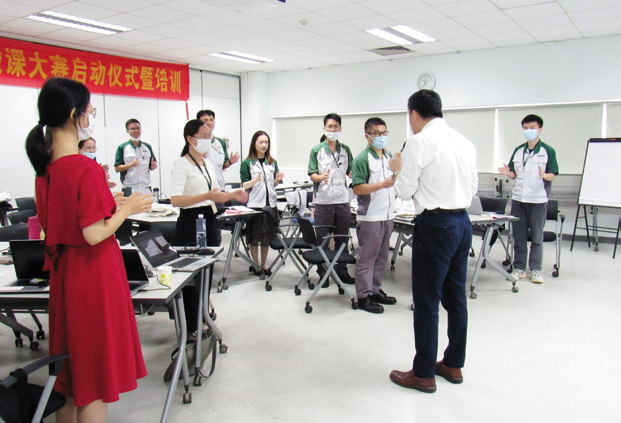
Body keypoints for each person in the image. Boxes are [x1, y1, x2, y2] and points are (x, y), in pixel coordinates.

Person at [25, 77, 154, 421]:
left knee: (69, 375)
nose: (91, 115)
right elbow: (94, 234)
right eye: (90, 110)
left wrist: (108, 203)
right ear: (74, 115)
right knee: (94, 377)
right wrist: (127, 209)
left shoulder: (45, 169)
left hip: (67, 274)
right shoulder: (85, 167)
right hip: (93, 275)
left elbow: (61, 222)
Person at [389, 90, 478, 393]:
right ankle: (453, 364)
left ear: (414, 113)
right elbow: (473, 187)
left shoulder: (419, 142)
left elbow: (404, 191)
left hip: (435, 225)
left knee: (427, 301)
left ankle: (424, 372)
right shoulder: (464, 142)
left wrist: (397, 171)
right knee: (456, 298)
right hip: (462, 223)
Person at [170, 119, 247, 338]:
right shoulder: (181, 164)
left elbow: (216, 194)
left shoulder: (207, 164)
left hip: (209, 220)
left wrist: (233, 195)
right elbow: (175, 200)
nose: (207, 140)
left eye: (209, 136)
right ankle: (190, 327)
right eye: (203, 136)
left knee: (206, 274)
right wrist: (206, 196)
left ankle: (202, 317)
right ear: (190, 139)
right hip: (190, 221)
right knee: (192, 276)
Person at [498, 114, 558, 284]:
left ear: (540, 130)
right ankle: (519, 268)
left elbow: (553, 174)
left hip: (538, 200)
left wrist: (545, 175)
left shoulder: (548, 151)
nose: (528, 131)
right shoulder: (519, 151)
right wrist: (507, 173)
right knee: (518, 236)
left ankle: (535, 270)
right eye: (525, 128)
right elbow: (514, 174)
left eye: (532, 128)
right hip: (519, 199)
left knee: (537, 237)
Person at [351, 117, 397, 314]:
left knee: (381, 258)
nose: (381, 136)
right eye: (377, 133)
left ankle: (375, 291)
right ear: (367, 136)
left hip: (388, 215)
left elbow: (394, 180)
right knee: (367, 259)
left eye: (384, 132)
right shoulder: (362, 159)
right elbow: (358, 188)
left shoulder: (388, 156)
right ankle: (363, 297)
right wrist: (381, 185)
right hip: (370, 217)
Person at [307, 113, 355, 286]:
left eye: (336, 126)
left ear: (340, 128)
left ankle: (342, 272)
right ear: (324, 128)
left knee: (343, 239)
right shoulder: (316, 150)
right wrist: (321, 177)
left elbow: (351, 171)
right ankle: (323, 274)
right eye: (329, 126)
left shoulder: (345, 150)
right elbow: (312, 174)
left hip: (342, 200)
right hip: (324, 201)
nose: (333, 129)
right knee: (323, 239)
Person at [240, 130, 284, 276]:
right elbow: (244, 185)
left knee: (266, 239)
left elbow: (273, 185)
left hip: (270, 205)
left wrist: (277, 180)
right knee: (255, 238)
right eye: (261, 142)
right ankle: (256, 265)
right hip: (255, 205)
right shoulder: (247, 163)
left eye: (266, 142)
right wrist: (254, 180)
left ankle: (264, 265)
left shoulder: (272, 162)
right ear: (254, 144)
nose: (264, 145)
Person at [197, 109, 240, 189]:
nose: (209, 122)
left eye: (211, 120)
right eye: (205, 120)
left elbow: (223, 166)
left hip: (219, 185)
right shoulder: (195, 142)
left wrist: (230, 162)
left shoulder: (220, 142)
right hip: (202, 187)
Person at [114, 118, 158, 194]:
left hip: (146, 186)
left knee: (149, 202)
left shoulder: (147, 146)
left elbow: (153, 165)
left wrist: (154, 166)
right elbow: (117, 168)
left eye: (138, 128)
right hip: (129, 187)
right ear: (127, 131)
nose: (136, 131)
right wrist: (130, 165)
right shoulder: (122, 147)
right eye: (133, 129)